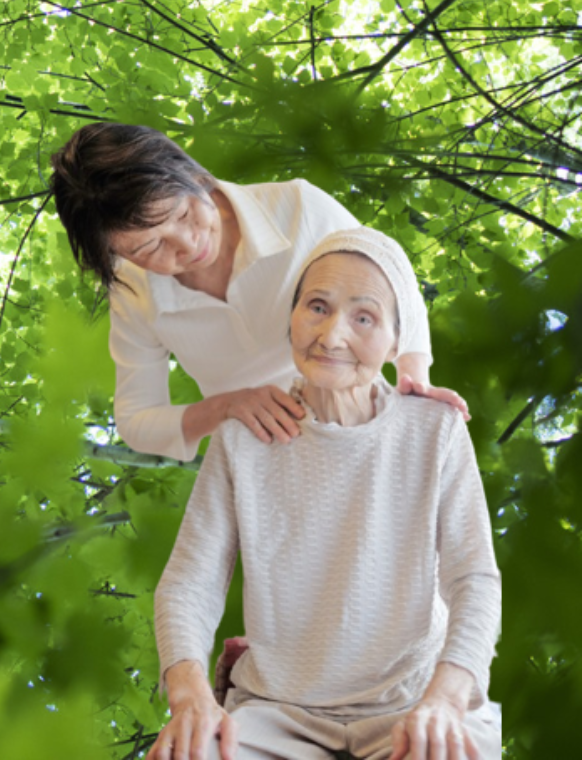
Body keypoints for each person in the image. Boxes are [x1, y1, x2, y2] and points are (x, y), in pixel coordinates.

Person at [148, 227, 501, 760]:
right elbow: (189, 585)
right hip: (276, 713)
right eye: (317, 306)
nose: (332, 336)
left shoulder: (435, 431)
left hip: (411, 704)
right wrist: (190, 697)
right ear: (291, 316)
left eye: (364, 318)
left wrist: (446, 700)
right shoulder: (244, 436)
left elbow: (472, 579)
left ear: (395, 340)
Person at [48, 123, 466, 463]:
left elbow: (390, 278)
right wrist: (226, 406)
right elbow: (138, 421)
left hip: (365, 430)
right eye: (150, 248)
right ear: (116, 257)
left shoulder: (298, 210)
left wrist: (414, 380)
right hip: (265, 461)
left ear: (192, 175)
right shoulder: (133, 294)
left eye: (183, 214)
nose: (188, 245)